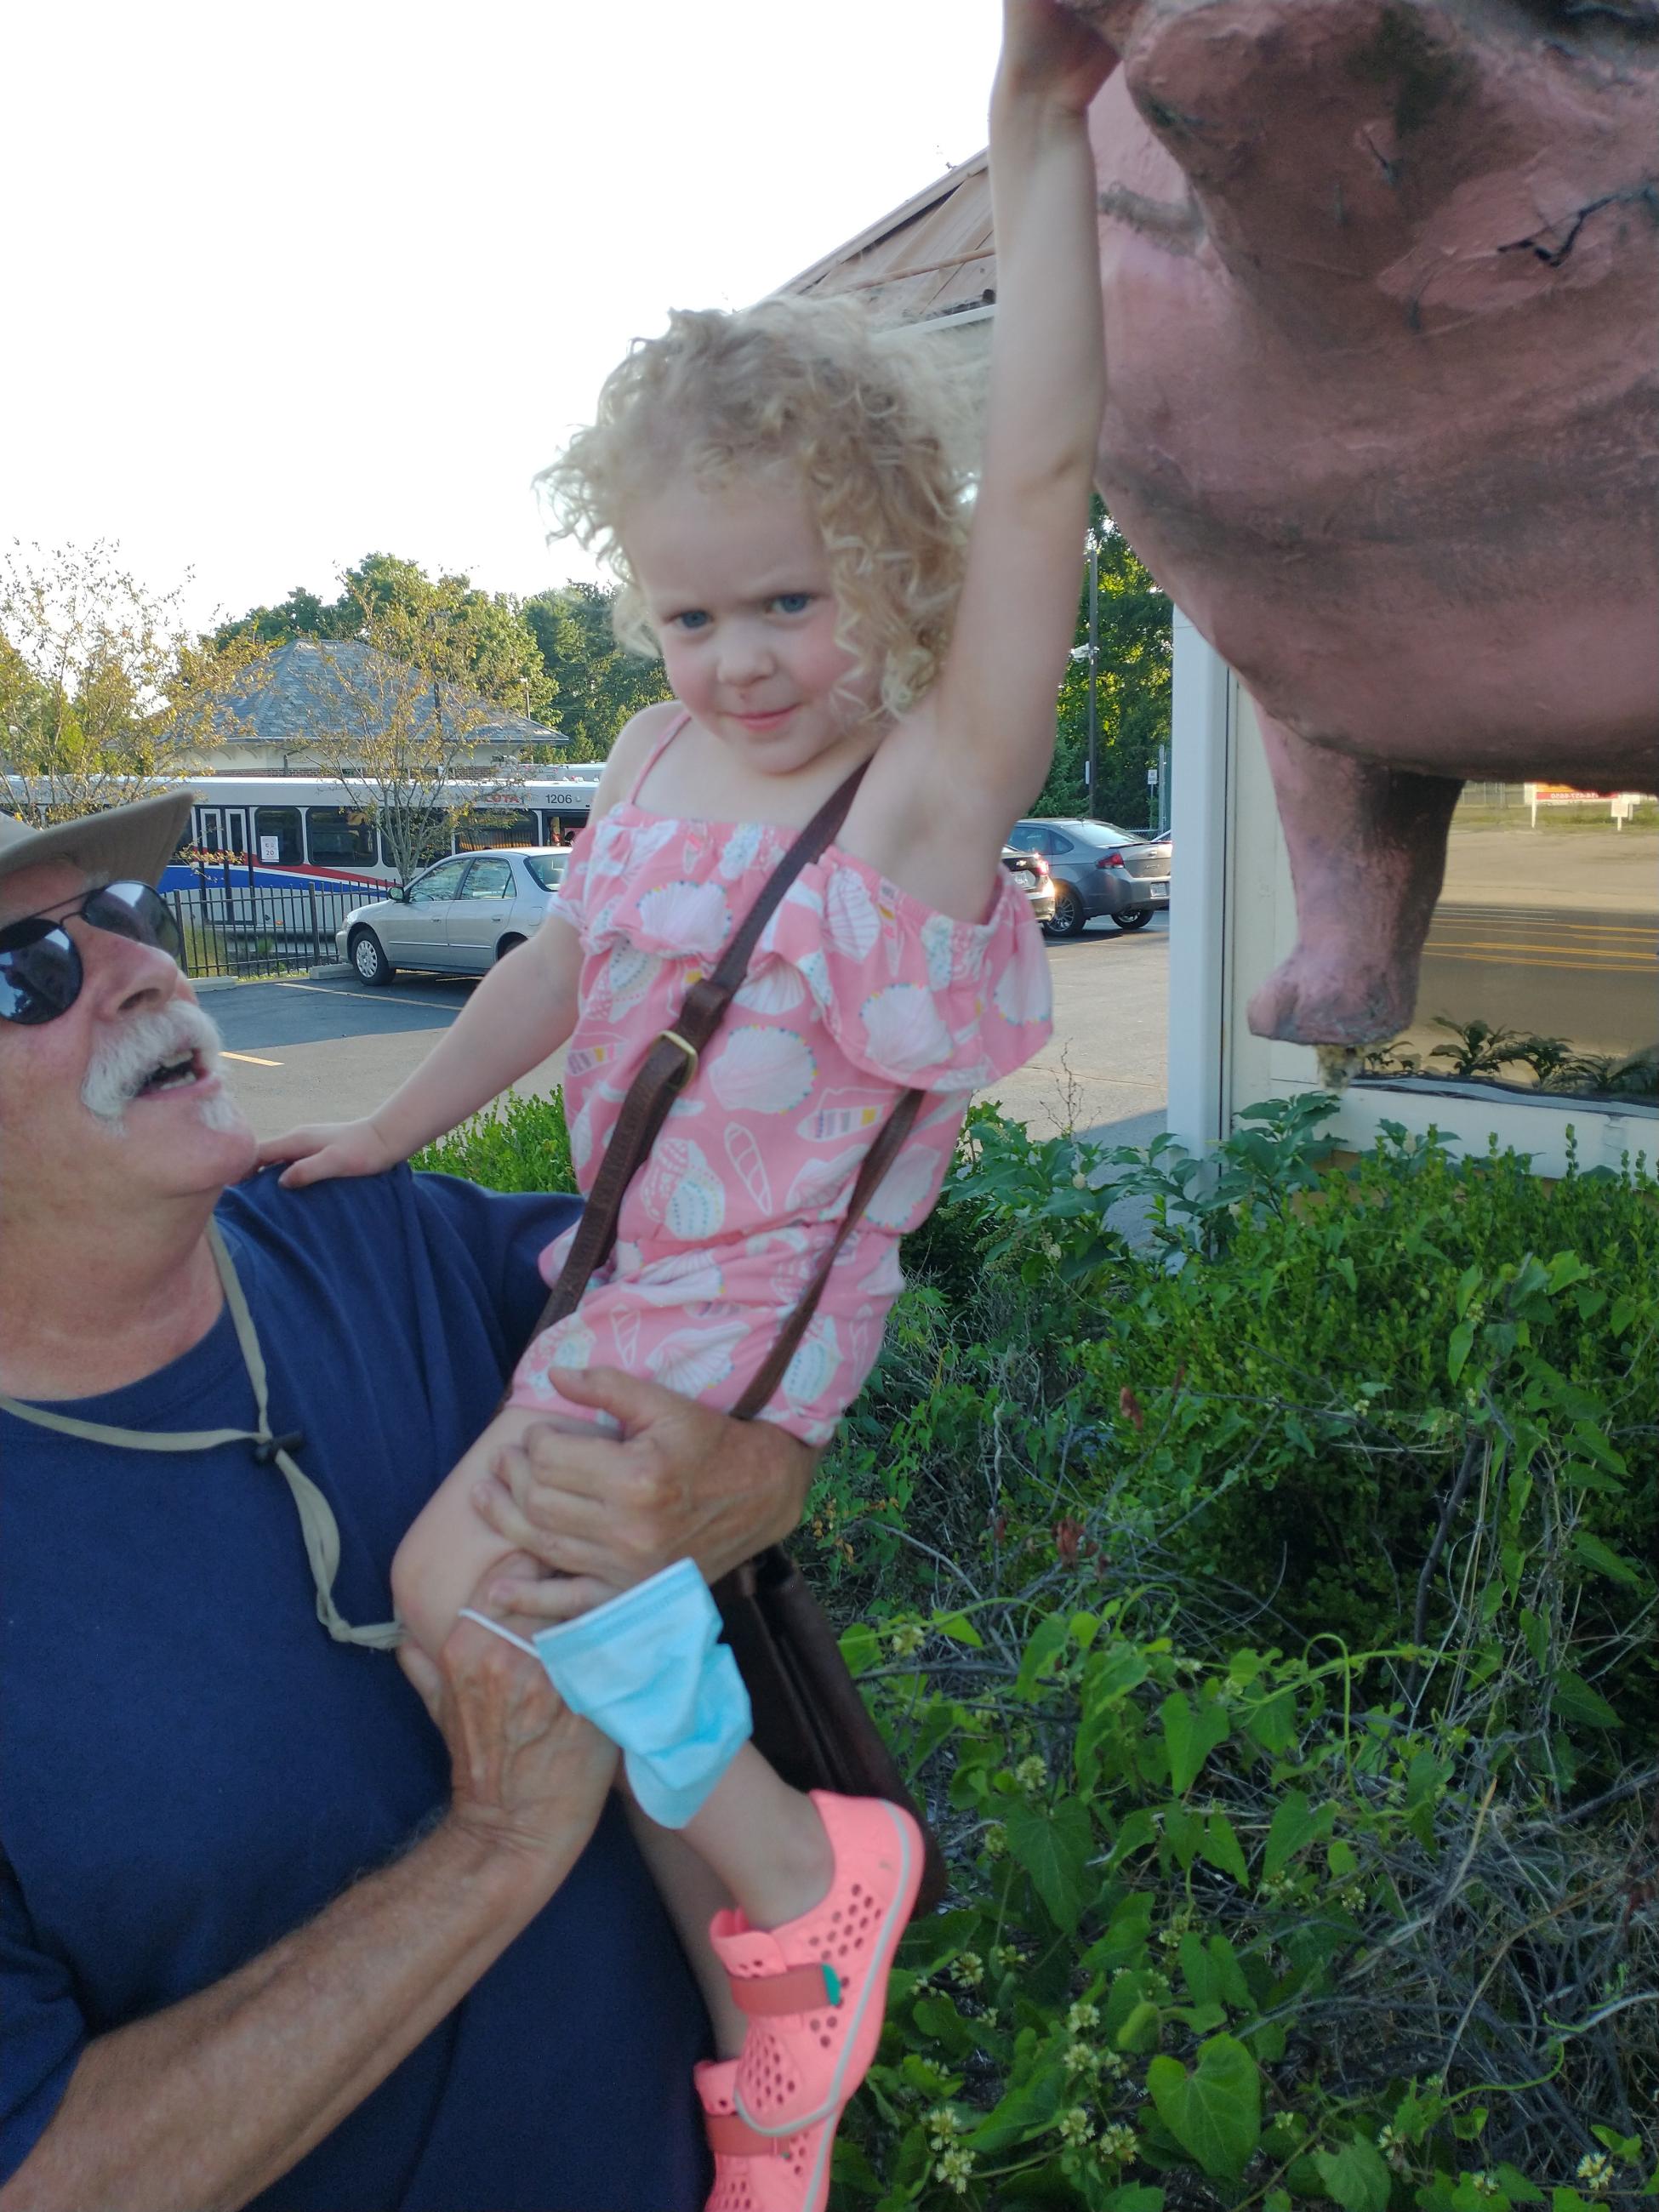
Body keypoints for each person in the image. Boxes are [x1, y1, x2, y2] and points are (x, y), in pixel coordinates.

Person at [262, 6, 1114, 2203]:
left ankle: (808, 1889)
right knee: (491, 1612)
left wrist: (1030, 131)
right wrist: (391, 1129)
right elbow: (564, 972)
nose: (731, 659)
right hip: (624, 1276)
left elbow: (1034, 477)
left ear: (890, 567)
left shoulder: (914, 799)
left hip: (743, 1310)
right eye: (684, 611)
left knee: (463, 1590)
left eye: (786, 603)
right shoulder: (650, 765)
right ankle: (776, 2030)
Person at [0, 793, 815, 2212]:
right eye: (28, 970)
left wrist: (749, 1475)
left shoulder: (378, 1230)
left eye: (124, 918)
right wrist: (493, 1850)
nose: (148, 972)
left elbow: (749, 1348)